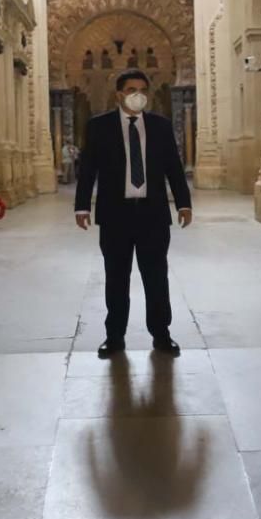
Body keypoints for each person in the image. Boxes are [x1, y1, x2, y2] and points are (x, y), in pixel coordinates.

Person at [75, 69, 192, 358]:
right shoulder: (99, 127)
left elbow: (174, 168)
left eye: (142, 89)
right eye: (130, 89)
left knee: (156, 277)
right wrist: (80, 205)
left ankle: (161, 335)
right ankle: (114, 337)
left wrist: (183, 203)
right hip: (115, 215)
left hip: (152, 215)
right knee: (116, 277)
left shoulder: (160, 126)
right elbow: (89, 168)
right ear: (119, 94)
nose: (137, 94)